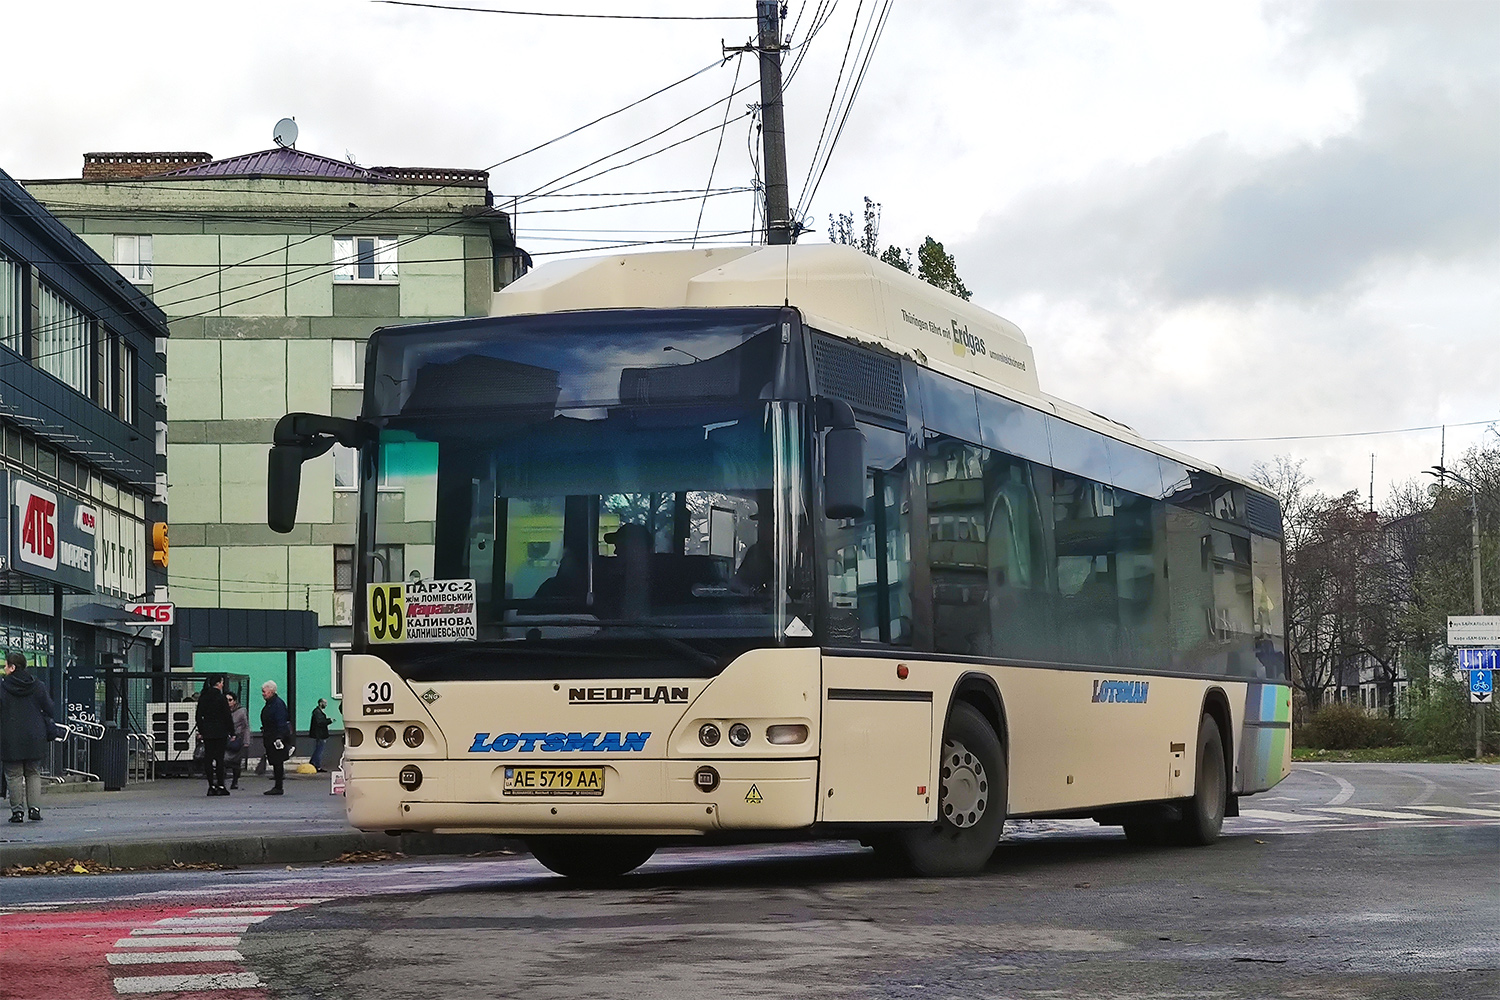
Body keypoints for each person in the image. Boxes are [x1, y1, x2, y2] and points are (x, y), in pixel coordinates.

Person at [0, 652, 57, 823]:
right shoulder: (37, 685)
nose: (4, 668)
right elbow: (50, 708)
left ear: (12, 667)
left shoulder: (2, 687)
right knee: (33, 773)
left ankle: (17, 812)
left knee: (14, 775)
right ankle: (35, 809)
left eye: (5, 665)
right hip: (35, 736)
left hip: (10, 737)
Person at [195, 674, 233, 797]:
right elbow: (227, 716)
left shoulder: (203, 697)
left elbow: (198, 716)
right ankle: (221, 785)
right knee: (219, 759)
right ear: (218, 683)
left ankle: (211, 785)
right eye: (221, 682)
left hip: (208, 732)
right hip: (220, 732)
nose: (222, 684)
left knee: (208, 758)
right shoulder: (221, 698)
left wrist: (202, 730)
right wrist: (231, 731)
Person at [259, 680, 292, 796]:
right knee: (276, 761)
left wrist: (279, 737)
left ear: (271, 691)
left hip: (275, 737)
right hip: (271, 736)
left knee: (277, 761)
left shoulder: (277, 704)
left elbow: (281, 721)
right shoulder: (272, 703)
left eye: (264, 691)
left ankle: (278, 786)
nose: (263, 694)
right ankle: (278, 784)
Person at [226, 691, 250, 790]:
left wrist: (246, 741)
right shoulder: (223, 711)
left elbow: (246, 726)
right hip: (226, 738)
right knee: (224, 759)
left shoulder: (241, 711)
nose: (228, 702)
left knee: (236, 761)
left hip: (238, 738)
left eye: (230, 700)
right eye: (226, 700)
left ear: (235, 701)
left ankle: (235, 781)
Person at [309, 698, 332, 772]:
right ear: (320, 703)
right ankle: (317, 765)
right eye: (324, 703)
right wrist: (329, 721)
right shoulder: (317, 712)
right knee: (319, 750)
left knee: (318, 750)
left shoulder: (318, 712)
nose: (326, 704)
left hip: (319, 734)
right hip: (319, 735)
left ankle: (313, 763)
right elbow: (320, 722)